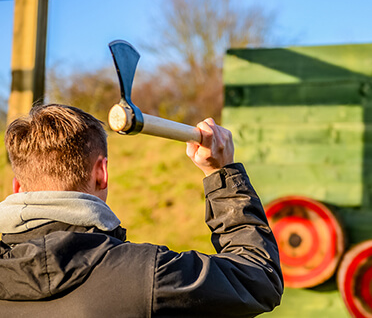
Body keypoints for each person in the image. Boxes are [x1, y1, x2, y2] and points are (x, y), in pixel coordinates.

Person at [0, 104, 283, 317]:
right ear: (102, 172)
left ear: (17, 185)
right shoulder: (146, 274)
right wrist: (221, 173)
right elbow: (257, 278)